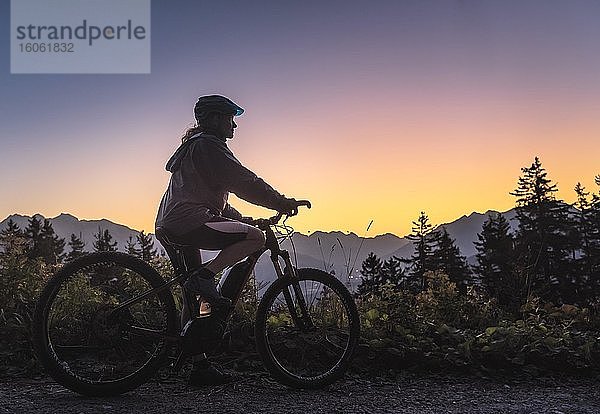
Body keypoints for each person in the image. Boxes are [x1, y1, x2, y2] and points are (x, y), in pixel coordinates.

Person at [155, 95, 301, 386]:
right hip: (190, 221)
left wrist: (244, 221)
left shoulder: (193, 148)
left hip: (170, 224)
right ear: (214, 119)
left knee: (193, 293)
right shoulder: (209, 145)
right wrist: (281, 203)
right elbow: (245, 182)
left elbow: (218, 206)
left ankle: (199, 365)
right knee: (256, 239)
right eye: (229, 117)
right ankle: (207, 275)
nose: (234, 124)